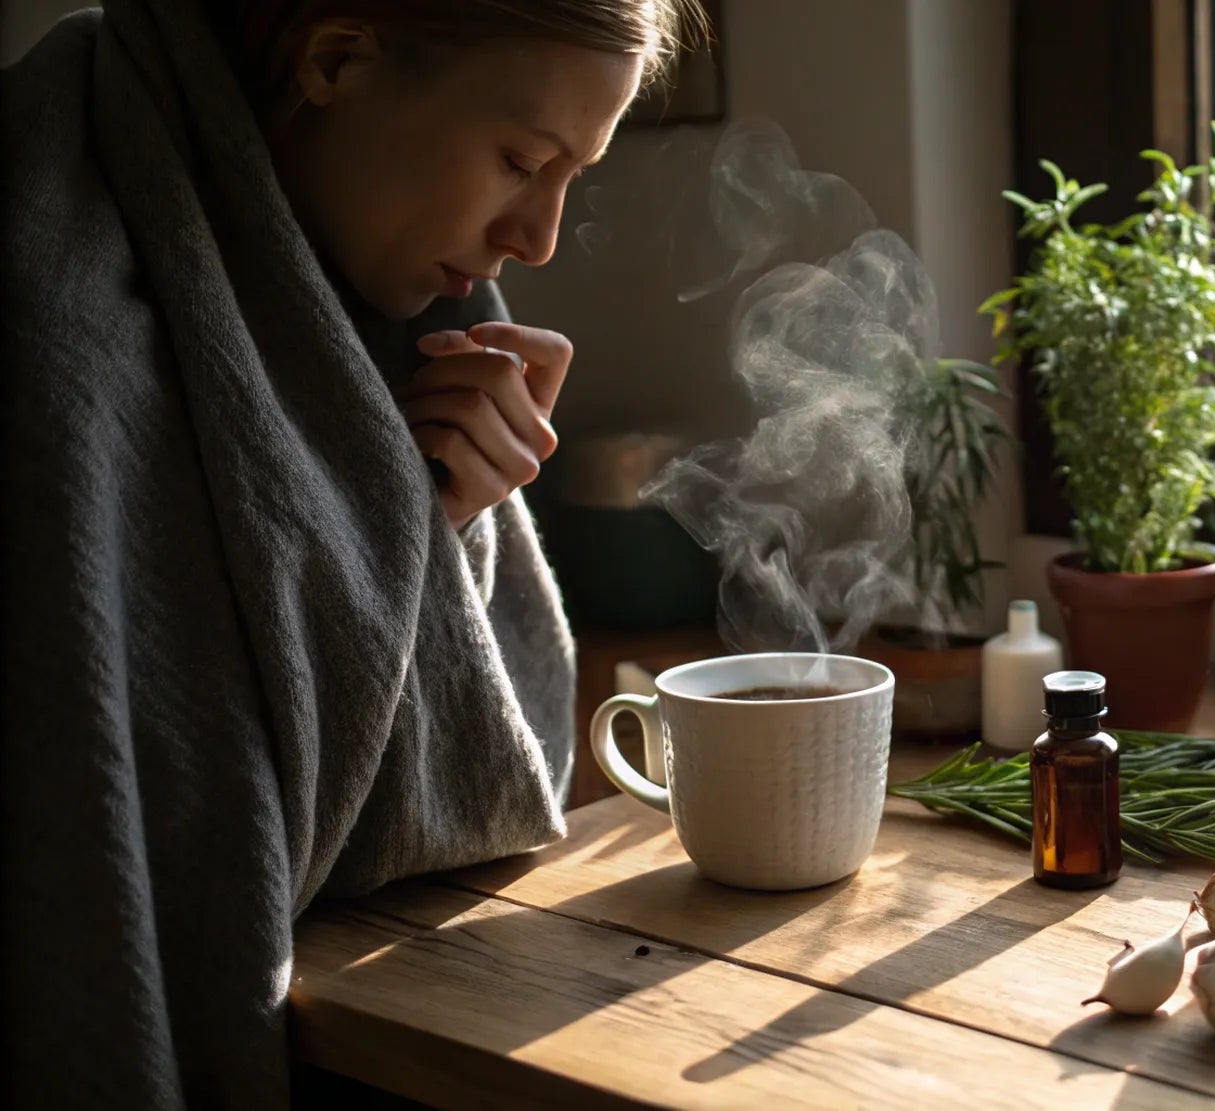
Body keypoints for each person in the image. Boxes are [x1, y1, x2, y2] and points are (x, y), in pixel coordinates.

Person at [0, 0, 696, 1104]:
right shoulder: (51, 299)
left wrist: (444, 521)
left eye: (575, 179)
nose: (540, 237)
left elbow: (467, 789)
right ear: (337, 60)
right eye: (522, 160)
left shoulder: (400, 306)